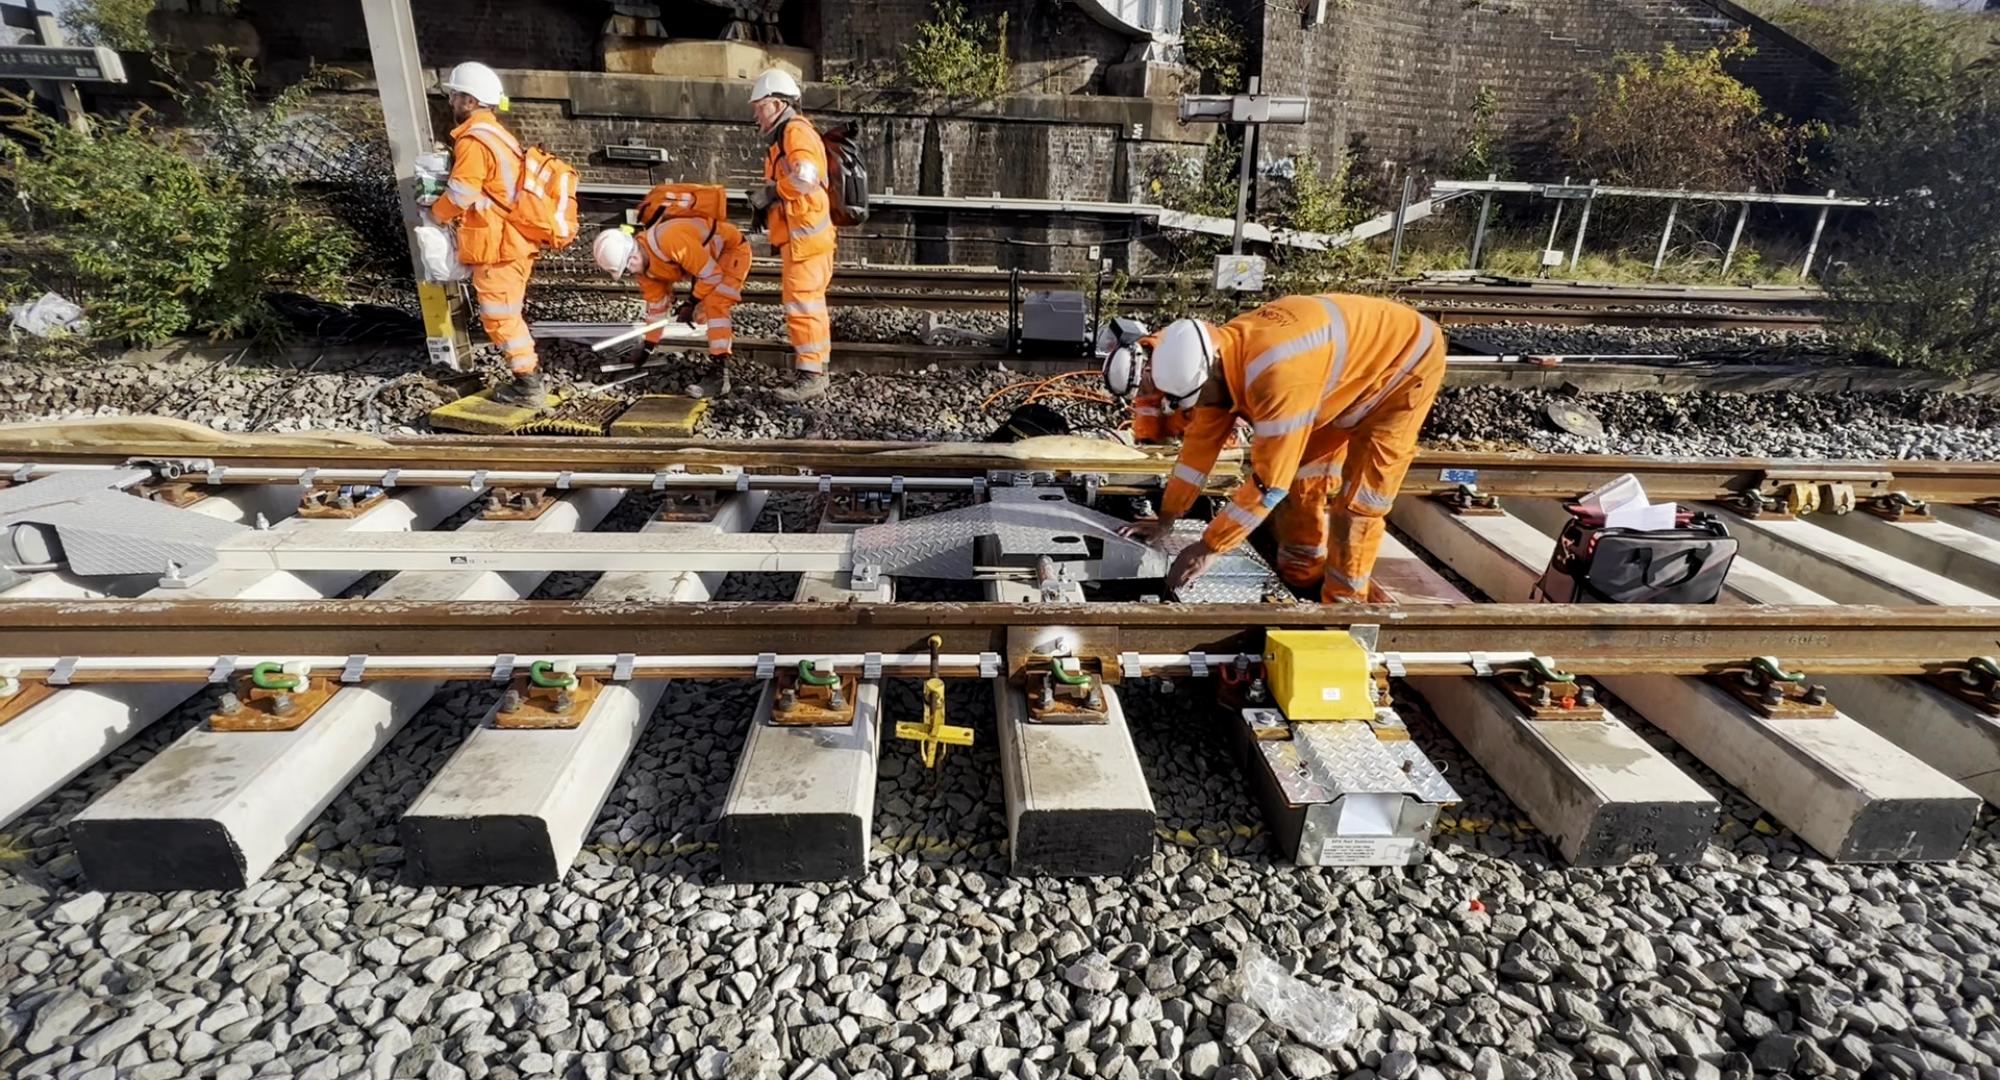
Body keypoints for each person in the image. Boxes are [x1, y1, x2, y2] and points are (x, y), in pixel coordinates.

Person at [1105, 294, 1445, 603]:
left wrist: (1210, 547)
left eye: (1194, 401)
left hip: (1404, 367)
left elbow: (1269, 483)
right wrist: (1166, 519)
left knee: (1359, 505)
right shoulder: (1219, 360)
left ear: (1211, 378)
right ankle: (1303, 574)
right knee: (1305, 476)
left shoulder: (1276, 378)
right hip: (1342, 376)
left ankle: (1345, 607)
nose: (1195, 410)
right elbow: (1195, 457)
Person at [427, 62, 544, 408]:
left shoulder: (475, 141)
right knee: (506, 314)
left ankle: (529, 386)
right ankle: (528, 381)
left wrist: (435, 214)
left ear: (470, 100)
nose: (451, 102)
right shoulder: (499, 136)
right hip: (510, 241)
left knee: (501, 316)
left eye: (456, 95)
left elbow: (462, 193)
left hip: (498, 245)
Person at [748, 69, 836, 403]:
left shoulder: (795, 133)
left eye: (759, 106)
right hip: (804, 241)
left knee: (802, 305)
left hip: (806, 242)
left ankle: (811, 376)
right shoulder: (785, 138)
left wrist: (773, 193)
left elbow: (806, 179)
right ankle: (817, 370)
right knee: (810, 305)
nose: (756, 113)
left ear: (775, 104)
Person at [591, 215, 749, 396]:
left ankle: (721, 377)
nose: (629, 275)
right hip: (707, 259)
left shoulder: (670, 241)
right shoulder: (646, 271)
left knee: (715, 305)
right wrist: (648, 346)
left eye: (626, 271)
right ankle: (719, 357)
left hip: (730, 251)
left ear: (633, 257)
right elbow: (657, 308)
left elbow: (712, 275)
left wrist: (691, 301)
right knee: (700, 315)